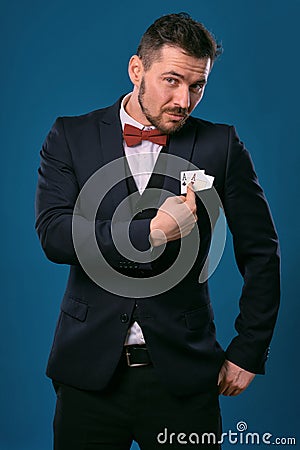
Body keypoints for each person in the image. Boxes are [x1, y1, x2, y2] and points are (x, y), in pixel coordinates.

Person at [35, 12, 280, 450]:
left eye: (197, 85)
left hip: (184, 377)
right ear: (137, 70)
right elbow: (54, 234)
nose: (183, 99)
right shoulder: (70, 136)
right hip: (87, 376)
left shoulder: (220, 145)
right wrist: (148, 232)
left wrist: (248, 350)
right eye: (171, 80)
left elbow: (261, 251)